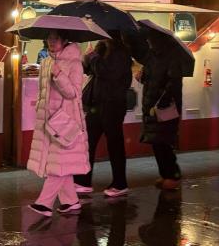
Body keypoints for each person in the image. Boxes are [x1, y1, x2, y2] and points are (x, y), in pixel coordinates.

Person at [27, 30, 90, 217]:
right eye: (49, 38)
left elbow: (73, 93)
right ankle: (71, 201)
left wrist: (58, 74)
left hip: (65, 122)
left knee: (57, 164)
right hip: (48, 121)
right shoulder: (46, 61)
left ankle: (44, 204)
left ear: (65, 40)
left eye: (55, 39)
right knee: (60, 163)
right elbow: (43, 92)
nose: (51, 42)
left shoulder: (75, 63)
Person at [74, 32, 132, 197]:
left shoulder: (121, 53)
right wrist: (86, 58)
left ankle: (120, 184)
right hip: (97, 104)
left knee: (114, 144)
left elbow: (106, 72)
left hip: (112, 104)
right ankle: (83, 181)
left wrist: (93, 58)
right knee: (87, 141)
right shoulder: (102, 49)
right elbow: (91, 70)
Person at [138, 30, 183, 190]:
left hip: (164, 106)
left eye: (151, 39)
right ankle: (165, 175)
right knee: (156, 142)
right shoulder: (151, 56)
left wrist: (162, 102)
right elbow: (149, 78)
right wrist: (142, 76)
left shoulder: (172, 57)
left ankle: (173, 175)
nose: (148, 42)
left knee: (164, 142)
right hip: (151, 105)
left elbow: (173, 83)